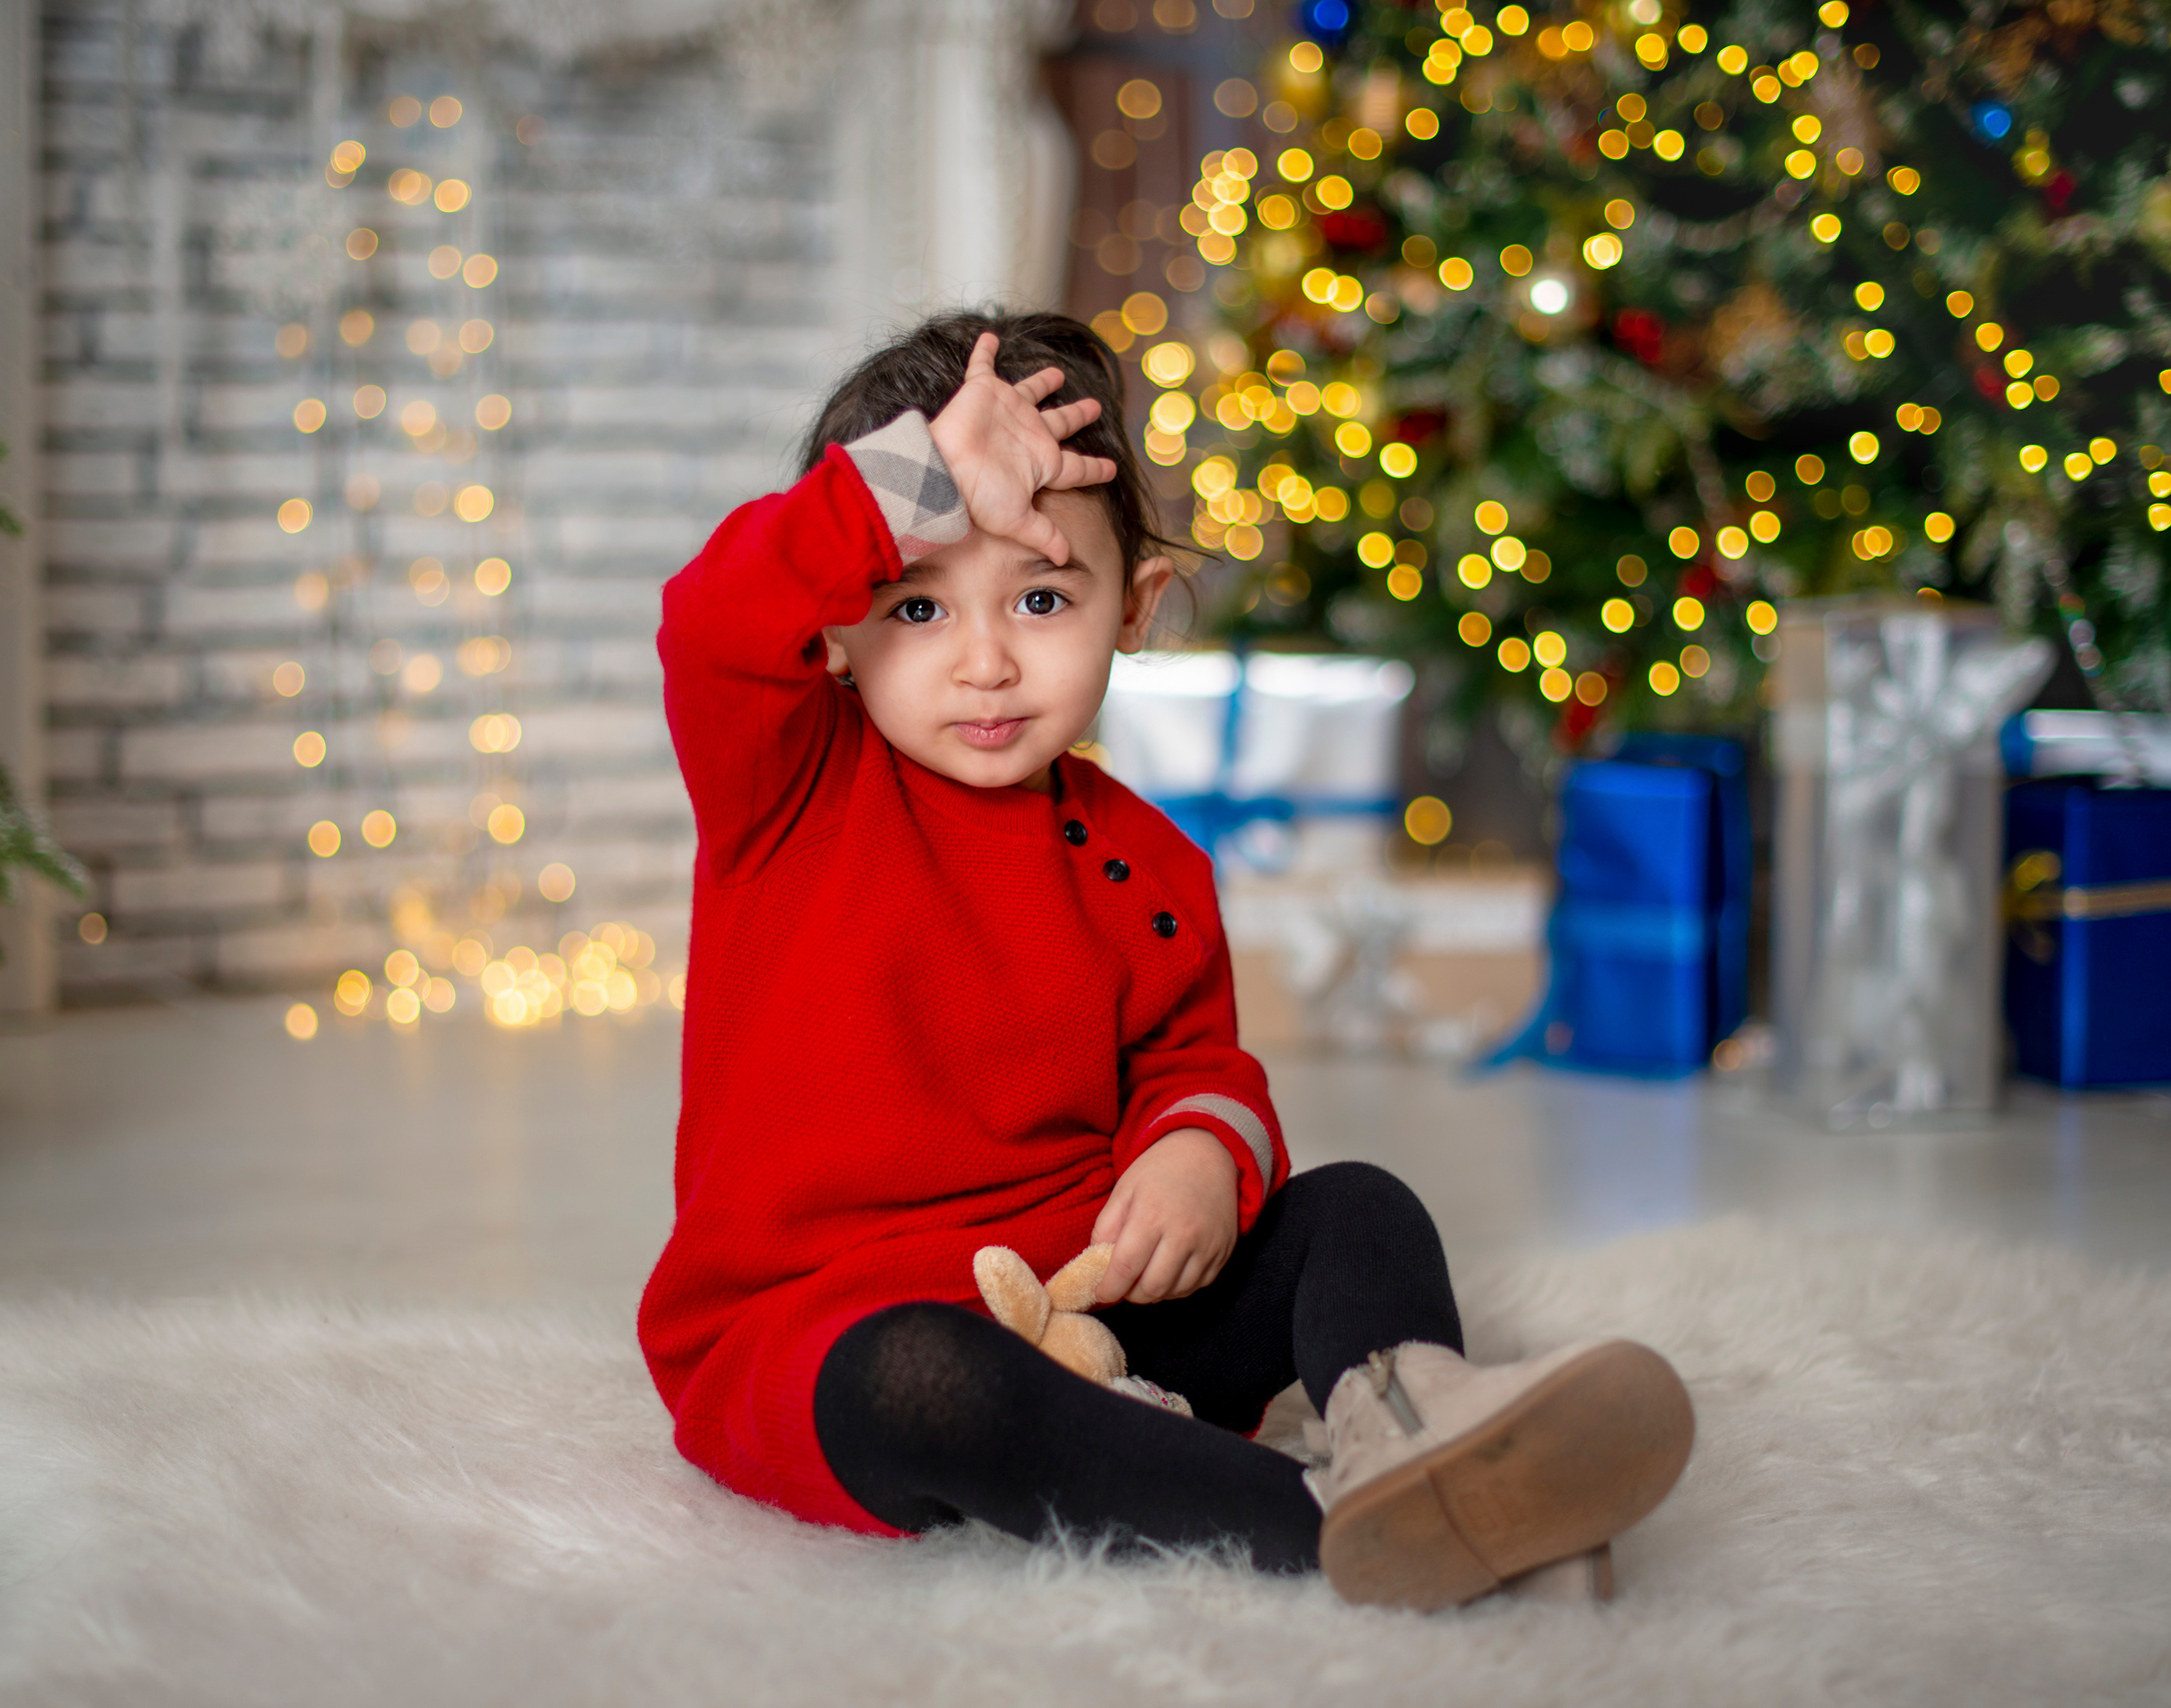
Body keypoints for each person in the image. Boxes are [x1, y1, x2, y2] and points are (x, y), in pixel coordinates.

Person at [636, 310, 1692, 1609]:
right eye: (917, 603)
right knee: (926, 1383)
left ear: (1133, 608)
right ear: (838, 635)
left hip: (1099, 1288)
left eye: (1040, 596)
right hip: (821, 1322)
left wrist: (1196, 1151)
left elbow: (1196, 1061)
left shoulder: (1148, 862)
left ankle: (1416, 1420)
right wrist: (915, 477)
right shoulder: (792, 782)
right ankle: (1324, 1524)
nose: (985, 659)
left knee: (1359, 1206)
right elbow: (709, 622)